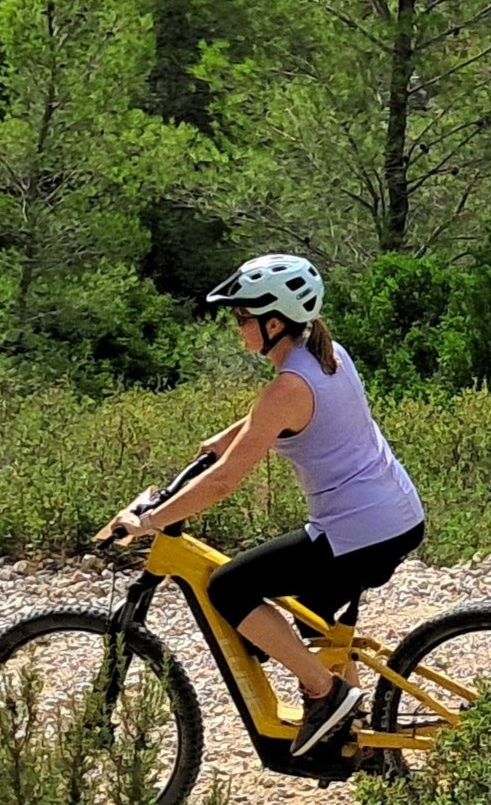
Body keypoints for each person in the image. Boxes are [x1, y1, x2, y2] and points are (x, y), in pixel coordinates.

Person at [110, 254, 426, 754]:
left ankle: (327, 694)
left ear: (274, 322)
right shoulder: (328, 354)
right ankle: (355, 735)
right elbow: (280, 415)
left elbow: (223, 483)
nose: (238, 328)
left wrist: (150, 520)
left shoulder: (287, 386)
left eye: (242, 318)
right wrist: (232, 436)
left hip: (358, 531)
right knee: (308, 618)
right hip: (395, 517)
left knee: (231, 588)